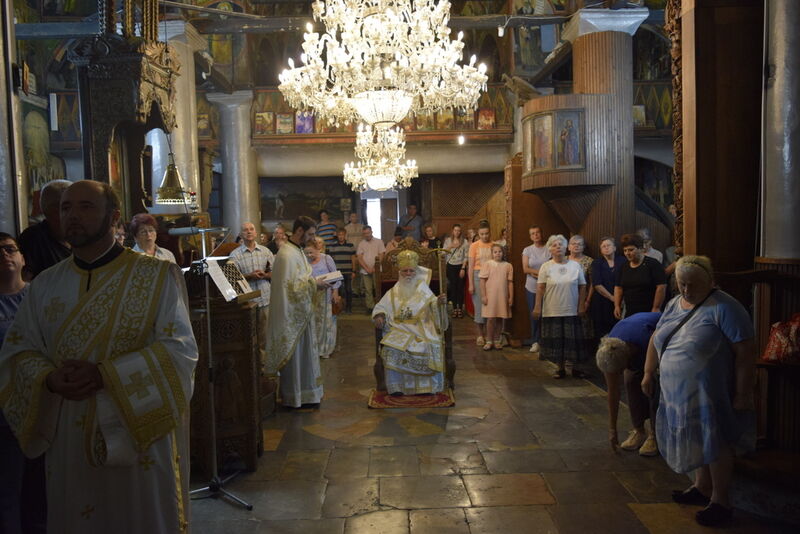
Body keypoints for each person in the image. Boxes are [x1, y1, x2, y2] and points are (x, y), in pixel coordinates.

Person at [0, 180, 197, 533]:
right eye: (66, 208)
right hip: (68, 436)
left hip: (138, 436)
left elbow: (179, 350)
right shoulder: (45, 284)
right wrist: (49, 378)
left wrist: (105, 375)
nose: (73, 215)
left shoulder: (156, 275)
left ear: (113, 216)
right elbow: (18, 350)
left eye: (86, 206)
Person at [642, 255, 756, 527]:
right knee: (694, 436)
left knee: (714, 440)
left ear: (710, 281)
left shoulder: (725, 307)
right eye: (682, 284)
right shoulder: (674, 304)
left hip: (710, 391)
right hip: (677, 392)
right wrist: (648, 372)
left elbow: (745, 352)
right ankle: (701, 486)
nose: (686, 290)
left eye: (693, 284)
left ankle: (721, 501)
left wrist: (743, 393)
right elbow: (657, 336)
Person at [0, 232, 45, 534]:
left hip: (43, 405)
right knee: (8, 491)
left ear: (22, 257)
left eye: (9, 249)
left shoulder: (41, 296)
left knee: (42, 491)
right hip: (4, 413)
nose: (4, 255)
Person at [265, 216, 331, 408]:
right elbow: (291, 288)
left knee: (305, 356)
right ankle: (296, 396)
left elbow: (300, 279)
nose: (312, 238)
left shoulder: (297, 251)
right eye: (310, 234)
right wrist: (314, 284)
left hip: (302, 314)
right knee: (297, 359)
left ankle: (308, 394)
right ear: (300, 231)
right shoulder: (286, 254)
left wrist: (313, 282)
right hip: (292, 316)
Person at [372, 250, 448, 395]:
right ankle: (397, 388)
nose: (408, 274)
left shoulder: (423, 290)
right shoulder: (392, 292)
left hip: (421, 328)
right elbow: (381, 307)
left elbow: (432, 304)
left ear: (416, 272)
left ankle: (426, 388)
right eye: (405, 271)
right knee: (392, 347)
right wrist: (379, 315)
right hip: (398, 329)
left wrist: (439, 303)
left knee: (427, 345)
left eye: (411, 271)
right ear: (400, 272)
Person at [596, 312, 662, 457]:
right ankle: (639, 430)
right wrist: (612, 429)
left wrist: (648, 374)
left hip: (657, 340)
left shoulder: (643, 340)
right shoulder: (608, 350)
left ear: (627, 360)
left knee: (653, 387)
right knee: (630, 381)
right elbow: (613, 391)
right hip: (634, 341)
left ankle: (655, 434)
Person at [534, 234, 588, 379]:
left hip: (571, 308)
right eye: (554, 245)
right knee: (557, 340)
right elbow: (540, 288)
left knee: (573, 340)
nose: (558, 247)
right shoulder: (546, 266)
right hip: (552, 309)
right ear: (550, 249)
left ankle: (576, 368)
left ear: (566, 247)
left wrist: (581, 305)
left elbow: (583, 286)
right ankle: (560, 368)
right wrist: (537, 307)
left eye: (560, 244)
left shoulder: (575, 265)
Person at [230, 222, 274, 363]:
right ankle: (250, 366)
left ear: (255, 233)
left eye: (251, 229)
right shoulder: (235, 254)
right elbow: (232, 279)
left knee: (265, 336)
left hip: (265, 298)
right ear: (241, 234)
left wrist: (265, 275)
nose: (249, 232)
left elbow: (275, 272)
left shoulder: (265, 251)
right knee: (247, 337)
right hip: (246, 301)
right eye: (245, 230)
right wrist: (249, 275)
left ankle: (264, 366)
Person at [17, 179, 71, 279]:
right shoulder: (33, 238)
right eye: (69, 207)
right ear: (54, 210)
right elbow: (24, 282)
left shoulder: (78, 235)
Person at [614, 233, 667, 319]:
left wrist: (656, 307)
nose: (627, 253)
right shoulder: (623, 266)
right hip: (629, 311)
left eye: (631, 250)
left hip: (649, 310)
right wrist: (617, 305)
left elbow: (661, 286)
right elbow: (618, 287)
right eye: (625, 250)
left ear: (640, 249)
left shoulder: (653, 264)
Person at [305, 237, 341, 358]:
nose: (309, 255)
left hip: (326, 295)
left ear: (317, 249)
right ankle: (315, 349)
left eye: (311, 252)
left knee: (327, 323)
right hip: (312, 296)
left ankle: (326, 349)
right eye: (307, 253)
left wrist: (335, 292)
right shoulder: (305, 261)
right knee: (314, 324)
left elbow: (336, 276)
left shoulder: (326, 258)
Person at [522, 225, 550, 353]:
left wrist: (537, 274)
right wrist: (540, 273)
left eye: (537, 232)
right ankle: (535, 341)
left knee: (546, 314)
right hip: (532, 287)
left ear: (541, 233)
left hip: (547, 286)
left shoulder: (548, 249)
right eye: (533, 233)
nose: (536, 235)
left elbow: (551, 266)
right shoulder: (527, 250)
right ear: (530, 236)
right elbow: (525, 269)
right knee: (534, 314)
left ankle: (545, 341)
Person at [479, 244, 513, 351]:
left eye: (500, 251)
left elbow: (510, 282)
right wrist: (483, 296)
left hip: (502, 296)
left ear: (503, 253)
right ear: (492, 253)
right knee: (490, 318)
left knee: (500, 318)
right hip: (490, 296)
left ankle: (497, 340)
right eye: (495, 252)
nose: (498, 254)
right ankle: (489, 340)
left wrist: (511, 297)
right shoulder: (487, 264)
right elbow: (482, 281)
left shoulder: (508, 266)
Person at [591, 237, 624, 339]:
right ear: (601, 250)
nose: (606, 248)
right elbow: (597, 284)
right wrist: (612, 298)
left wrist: (618, 300)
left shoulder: (623, 261)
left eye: (608, 245)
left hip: (621, 300)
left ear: (614, 248)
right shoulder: (596, 263)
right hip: (601, 301)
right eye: (603, 246)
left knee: (619, 329)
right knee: (602, 332)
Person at [468, 220, 494, 346]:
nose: (484, 236)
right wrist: (471, 284)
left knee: (490, 306)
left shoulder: (494, 245)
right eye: (482, 234)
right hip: (477, 276)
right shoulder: (474, 246)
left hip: (491, 276)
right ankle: (480, 335)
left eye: (486, 233)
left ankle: (490, 335)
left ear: (490, 233)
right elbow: (470, 266)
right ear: (478, 234)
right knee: (479, 306)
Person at [356, 225, 385, 313]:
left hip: (377, 270)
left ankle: (380, 307)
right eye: (365, 233)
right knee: (368, 289)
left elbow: (381, 255)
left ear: (371, 232)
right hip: (365, 270)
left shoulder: (379, 241)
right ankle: (370, 307)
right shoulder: (361, 244)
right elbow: (359, 257)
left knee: (378, 288)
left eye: (368, 233)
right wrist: (367, 268)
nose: (367, 235)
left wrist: (374, 267)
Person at [327, 228, 356, 314]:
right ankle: (340, 308)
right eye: (339, 235)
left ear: (345, 235)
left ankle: (349, 308)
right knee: (339, 291)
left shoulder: (350, 245)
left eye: (342, 235)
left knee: (348, 290)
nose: (341, 236)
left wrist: (354, 271)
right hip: (337, 273)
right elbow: (330, 260)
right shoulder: (332, 246)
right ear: (337, 235)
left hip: (348, 272)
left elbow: (353, 258)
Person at [443, 224, 469, 318]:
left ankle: (460, 309)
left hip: (460, 266)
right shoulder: (448, 241)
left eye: (458, 230)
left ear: (460, 231)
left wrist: (463, 268)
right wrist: (450, 246)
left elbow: (466, 256)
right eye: (455, 230)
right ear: (452, 231)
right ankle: (454, 308)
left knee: (460, 288)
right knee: (453, 288)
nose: (457, 232)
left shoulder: (464, 241)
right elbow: (442, 253)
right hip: (451, 266)